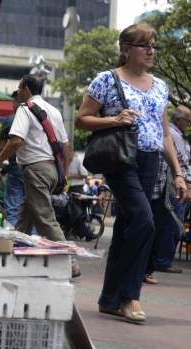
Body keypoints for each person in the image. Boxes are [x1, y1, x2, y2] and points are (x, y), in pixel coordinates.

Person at [75, 23, 186, 322]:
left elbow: (164, 135)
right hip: (122, 160)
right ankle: (129, 296)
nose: (151, 51)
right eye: (144, 45)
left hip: (152, 162)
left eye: (154, 46)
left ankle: (109, 299)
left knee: (126, 228)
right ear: (125, 49)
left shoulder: (160, 85)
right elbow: (81, 119)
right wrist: (114, 120)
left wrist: (178, 172)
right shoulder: (107, 80)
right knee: (145, 221)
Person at [0, 74, 80, 278]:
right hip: (53, 171)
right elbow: (65, 147)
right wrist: (62, 175)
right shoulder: (54, 111)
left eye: (19, 88)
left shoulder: (25, 109)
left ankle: (70, 261)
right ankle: (14, 251)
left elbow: (15, 141)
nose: (18, 93)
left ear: (26, 90)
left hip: (36, 170)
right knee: (25, 214)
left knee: (45, 218)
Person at [149, 106, 191, 280]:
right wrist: (187, 183)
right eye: (188, 121)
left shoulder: (171, 134)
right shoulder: (173, 135)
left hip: (166, 184)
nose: (188, 125)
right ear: (179, 120)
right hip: (172, 185)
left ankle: (159, 261)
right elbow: (180, 162)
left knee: (165, 223)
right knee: (172, 223)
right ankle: (163, 260)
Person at [0, 90, 37, 234]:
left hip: (15, 171)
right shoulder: (41, 117)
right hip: (36, 172)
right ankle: (33, 245)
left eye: (13, 102)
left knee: (14, 211)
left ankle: (14, 244)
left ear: (19, 102)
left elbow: (1, 147)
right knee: (34, 212)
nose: (12, 106)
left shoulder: (10, 120)